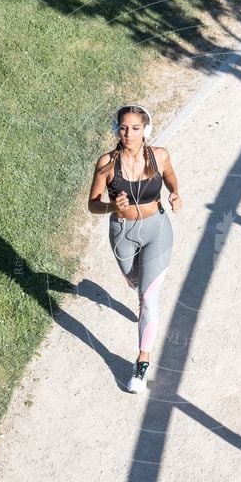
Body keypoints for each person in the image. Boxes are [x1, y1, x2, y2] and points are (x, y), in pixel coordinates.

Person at [88, 104, 182, 393]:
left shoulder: (159, 156)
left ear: (146, 131)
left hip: (158, 231)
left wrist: (175, 193)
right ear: (117, 129)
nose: (128, 133)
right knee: (133, 280)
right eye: (123, 127)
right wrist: (111, 206)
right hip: (122, 233)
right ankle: (136, 286)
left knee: (148, 298)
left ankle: (141, 363)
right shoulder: (106, 163)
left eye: (135, 128)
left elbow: (169, 177)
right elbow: (92, 204)